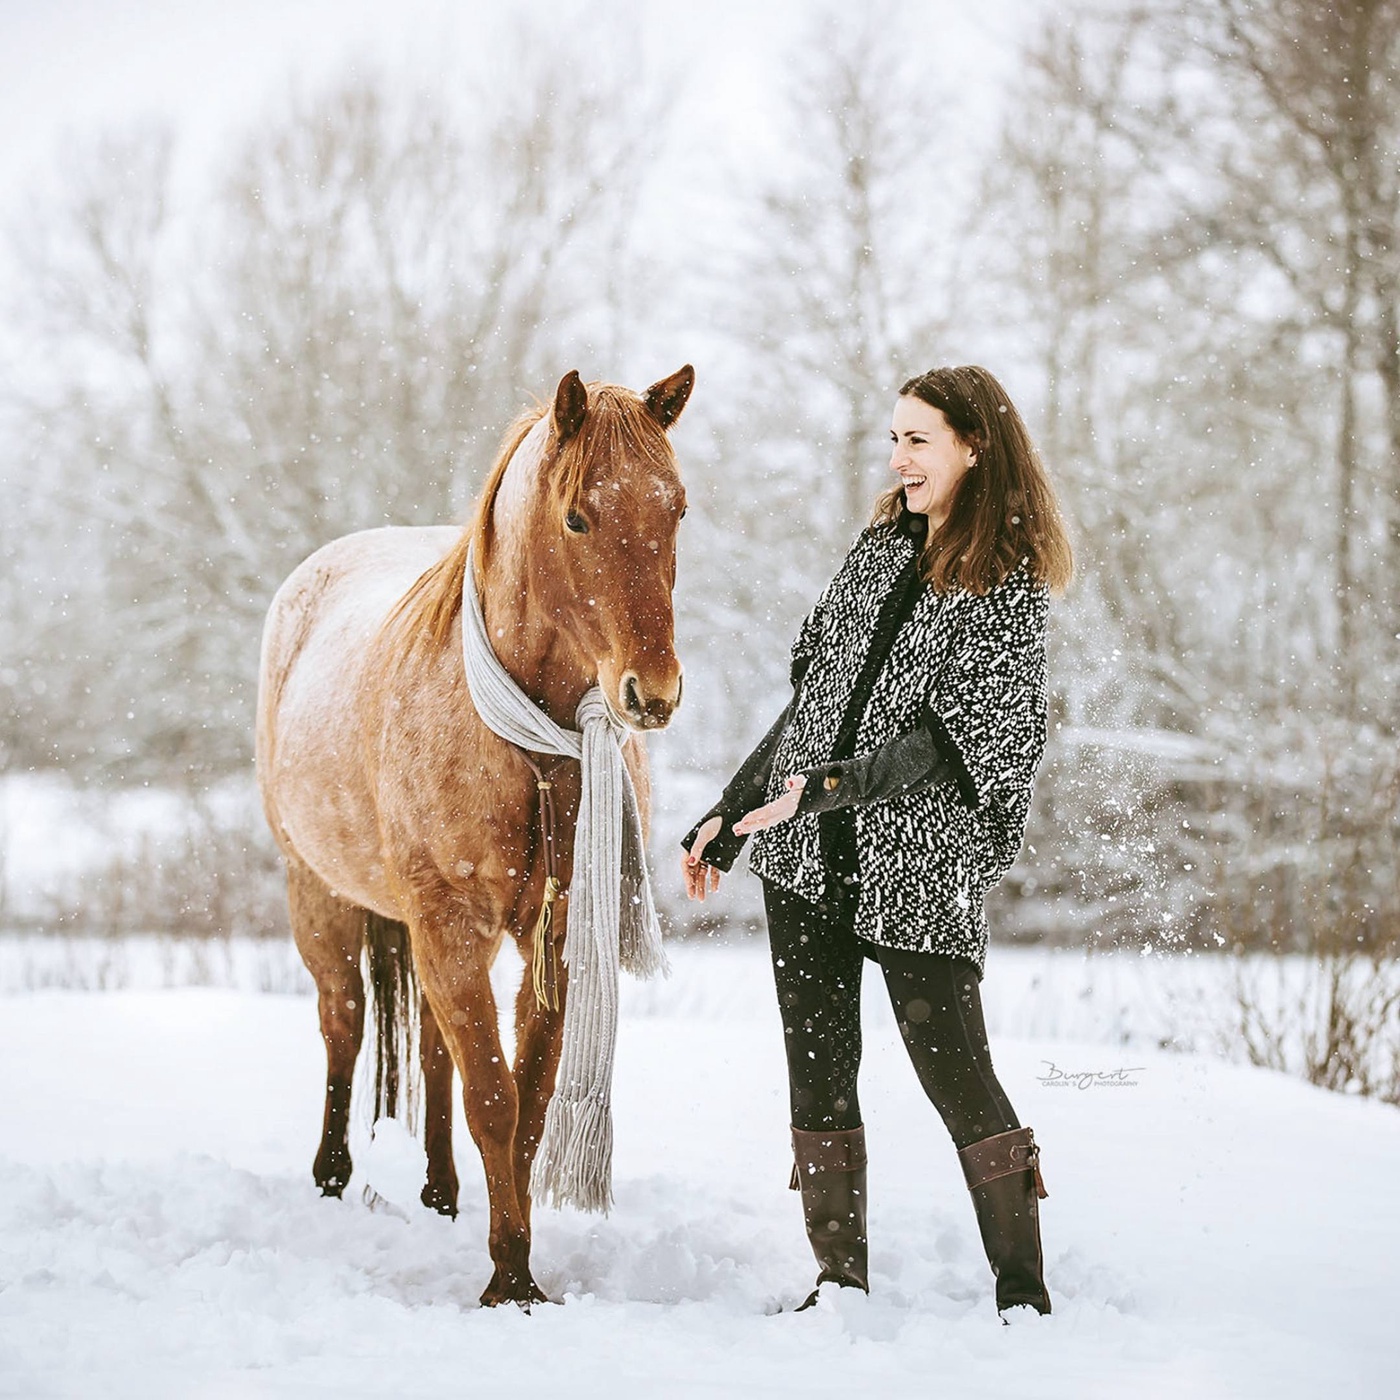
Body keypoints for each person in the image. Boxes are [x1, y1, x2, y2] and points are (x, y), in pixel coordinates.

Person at [681, 365, 1073, 1317]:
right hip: (809, 865)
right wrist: (729, 818)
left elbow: (945, 747)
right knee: (817, 1070)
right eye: (894, 438)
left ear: (974, 448)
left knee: (957, 1078)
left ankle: (1023, 1295)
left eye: (920, 440)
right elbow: (813, 709)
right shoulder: (873, 555)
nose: (899, 458)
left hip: (917, 870)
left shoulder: (1005, 587)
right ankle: (839, 1282)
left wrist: (821, 791)